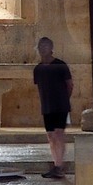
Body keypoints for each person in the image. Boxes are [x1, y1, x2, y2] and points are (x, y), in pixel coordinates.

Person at [32, 36, 73, 176]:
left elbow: (69, 85)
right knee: (50, 135)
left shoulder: (60, 65)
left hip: (60, 106)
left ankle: (60, 165)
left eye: (45, 46)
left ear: (51, 48)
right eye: (40, 46)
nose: (43, 49)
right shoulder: (37, 69)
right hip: (47, 106)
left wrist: (63, 100)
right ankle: (56, 165)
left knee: (59, 134)